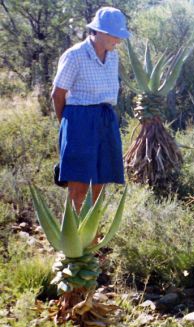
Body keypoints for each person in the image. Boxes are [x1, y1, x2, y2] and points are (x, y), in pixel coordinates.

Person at [51, 7, 130, 211]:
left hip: (105, 120)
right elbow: (58, 95)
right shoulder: (75, 55)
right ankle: (71, 241)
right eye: (116, 35)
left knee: (99, 184)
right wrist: (67, 127)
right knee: (78, 187)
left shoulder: (113, 57)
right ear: (101, 32)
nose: (118, 41)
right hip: (79, 120)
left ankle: (91, 239)